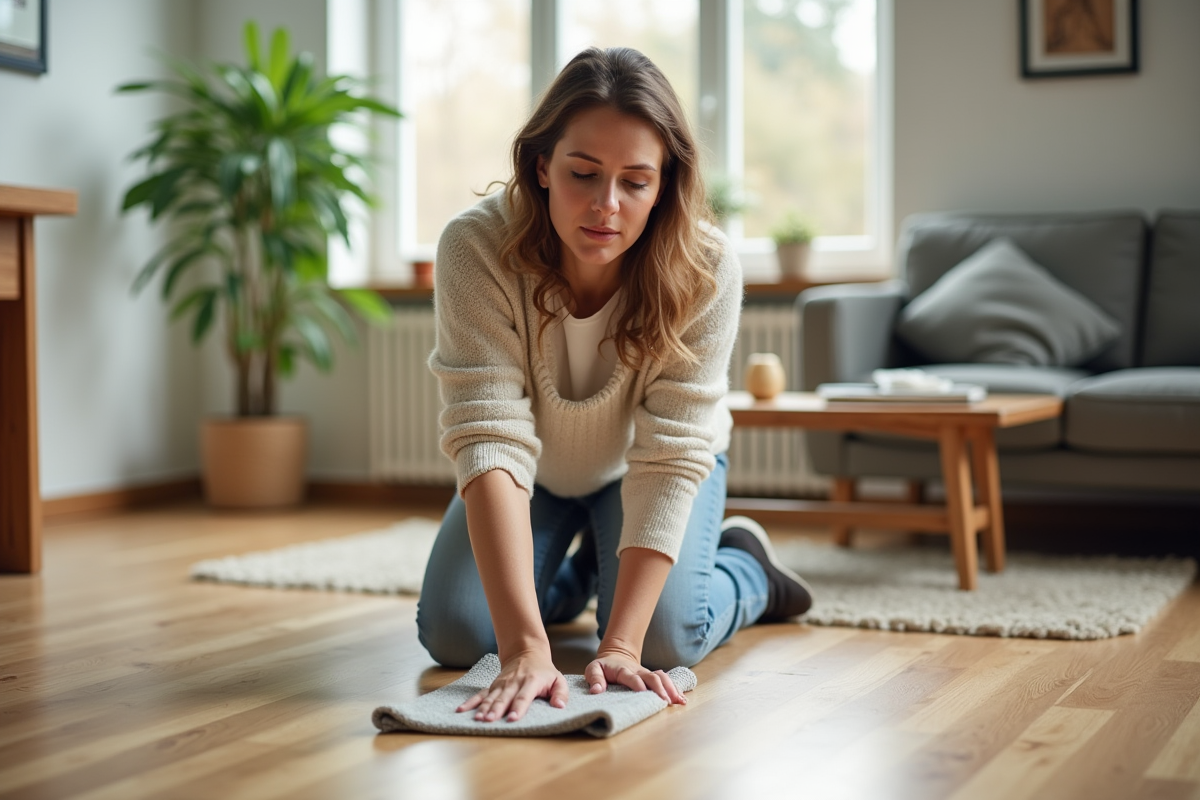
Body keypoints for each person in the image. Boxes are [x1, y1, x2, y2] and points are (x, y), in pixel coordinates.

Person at [417, 47, 812, 724]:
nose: (607, 206)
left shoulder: (707, 267)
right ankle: (574, 581)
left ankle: (747, 571)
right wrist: (523, 648)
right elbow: (488, 434)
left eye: (635, 181)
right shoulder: (474, 248)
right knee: (456, 633)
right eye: (583, 174)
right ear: (542, 165)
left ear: (664, 185)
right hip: (531, 472)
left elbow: (669, 453)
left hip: (646, 468)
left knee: (663, 640)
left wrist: (622, 643)